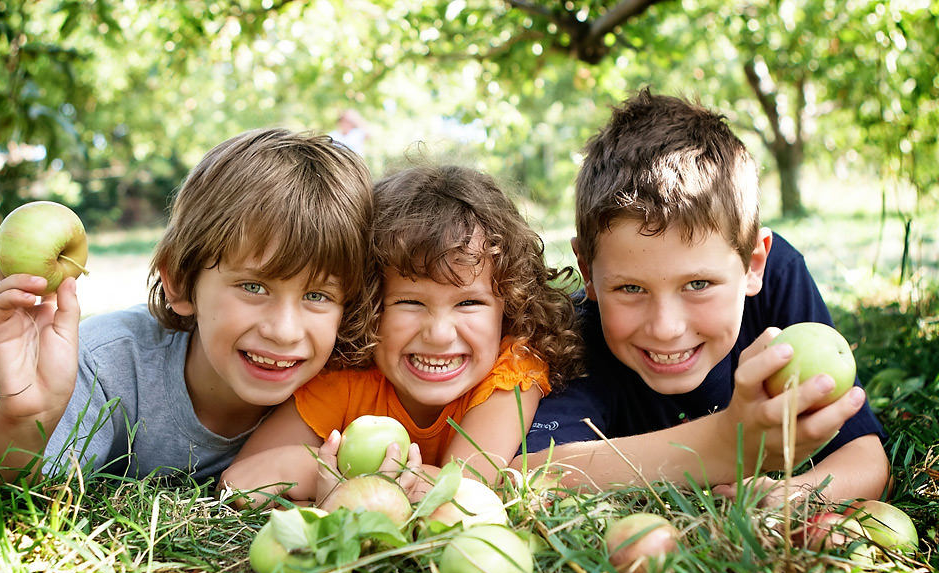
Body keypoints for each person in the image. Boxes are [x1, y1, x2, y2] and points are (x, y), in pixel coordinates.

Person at [524, 89, 890, 505]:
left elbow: (865, 458)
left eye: (698, 285)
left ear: (753, 264)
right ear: (588, 273)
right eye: (630, 288)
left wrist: (792, 497)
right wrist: (727, 443)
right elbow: (530, 473)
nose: (666, 328)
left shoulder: (778, 276)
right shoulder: (577, 327)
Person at [0, 129, 375, 486]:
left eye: (317, 296)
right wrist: (24, 422)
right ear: (180, 283)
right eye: (253, 287)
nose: (284, 330)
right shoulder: (104, 364)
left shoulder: (349, 387)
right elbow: (12, 515)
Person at [219, 164, 583, 505]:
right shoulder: (345, 380)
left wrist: (351, 482)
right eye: (409, 302)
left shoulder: (513, 370)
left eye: (469, 303)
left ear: (511, 305)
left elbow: (465, 488)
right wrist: (331, 479)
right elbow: (238, 483)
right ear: (368, 306)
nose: (439, 335)